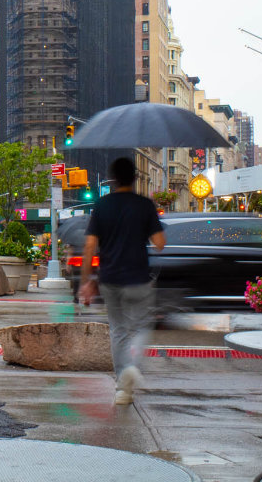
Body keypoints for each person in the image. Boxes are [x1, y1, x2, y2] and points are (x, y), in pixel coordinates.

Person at [77, 157, 166, 405]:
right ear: (135, 177)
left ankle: (121, 389)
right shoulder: (144, 205)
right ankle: (132, 367)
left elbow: (90, 246)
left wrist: (85, 281)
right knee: (140, 327)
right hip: (138, 277)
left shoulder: (102, 206)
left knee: (118, 331)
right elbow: (160, 243)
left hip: (110, 278)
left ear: (113, 179)